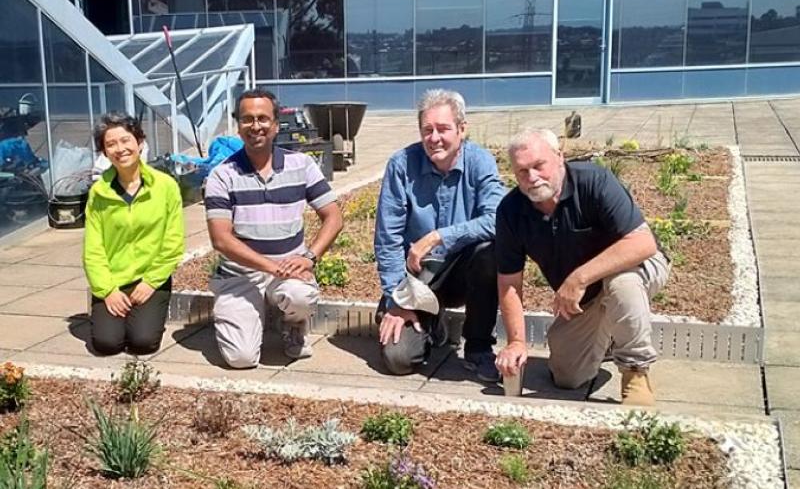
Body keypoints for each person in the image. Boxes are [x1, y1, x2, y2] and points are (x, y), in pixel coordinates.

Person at [494, 129, 670, 406]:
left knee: (620, 283)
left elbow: (643, 243)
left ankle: (636, 373)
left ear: (559, 157)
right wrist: (516, 341)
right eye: (522, 171)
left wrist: (579, 277)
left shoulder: (595, 181)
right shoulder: (510, 211)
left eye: (539, 166)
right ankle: (609, 337)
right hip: (585, 296)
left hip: (638, 267)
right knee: (567, 377)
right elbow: (509, 283)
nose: (532, 178)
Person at [204, 89, 342, 368]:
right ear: (239, 126)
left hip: (289, 273)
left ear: (276, 124)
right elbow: (221, 239)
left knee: (299, 295)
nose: (256, 126)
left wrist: (309, 258)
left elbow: (334, 217)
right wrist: (270, 267)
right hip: (240, 276)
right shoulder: (222, 175)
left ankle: (293, 323)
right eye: (247, 119)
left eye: (263, 118)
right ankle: (250, 312)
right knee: (241, 359)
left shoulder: (301, 165)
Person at [374, 89, 506, 381]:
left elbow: (499, 220)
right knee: (398, 359)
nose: (434, 138)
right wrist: (397, 301)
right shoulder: (401, 165)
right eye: (427, 130)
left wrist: (438, 236)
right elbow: (388, 239)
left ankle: (479, 347)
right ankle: (429, 324)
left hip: (464, 273)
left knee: (490, 251)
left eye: (444, 129)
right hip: (416, 279)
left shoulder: (480, 161)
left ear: (462, 129)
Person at [83, 113, 185, 355]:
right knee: (107, 344)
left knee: (143, 342)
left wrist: (150, 282)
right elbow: (93, 250)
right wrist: (107, 290)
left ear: (139, 142)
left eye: (126, 140)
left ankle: (144, 316)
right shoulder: (99, 193)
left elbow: (173, 242)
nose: (120, 149)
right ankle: (109, 315)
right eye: (111, 144)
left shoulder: (165, 186)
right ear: (104, 152)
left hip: (150, 280)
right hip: (113, 280)